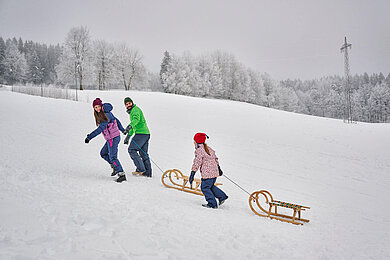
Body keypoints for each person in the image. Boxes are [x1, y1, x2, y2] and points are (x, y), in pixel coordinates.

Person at [85, 98, 127, 183]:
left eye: (98, 107)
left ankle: (121, 174)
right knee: (103, 153)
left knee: (113, 157)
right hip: (111, 138)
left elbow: (100, 129)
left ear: (101, 106)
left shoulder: (106, 115)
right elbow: (117, 120)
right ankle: (114, 166)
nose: (97, 109)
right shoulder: (105, 114)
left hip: (113, 138)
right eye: (95, 107)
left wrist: (89, 137)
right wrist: (122, 130)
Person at [189, 133, 228, 208]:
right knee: (210, 186)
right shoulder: (209, 149)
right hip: (214, 172)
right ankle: (222, 196)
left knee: (204, 188)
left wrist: (192, 173)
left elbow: (197, 162)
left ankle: (212, 204)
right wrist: (218, 168)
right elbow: (215, 159)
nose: (193, 142)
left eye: (194, 141)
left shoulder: (199, 150)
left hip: (207, 174)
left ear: (196, 142)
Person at [123, 97, 152, 177]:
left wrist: (129, 126)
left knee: (131, 150)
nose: (128, 105)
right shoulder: (134, 110)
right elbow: (134, 125)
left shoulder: (135, 110)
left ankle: (141, 169)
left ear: (132, 103)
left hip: (141, 134)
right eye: (126, 104)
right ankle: (148, 172)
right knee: (143, 153)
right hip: (146, 133)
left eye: (129, 103)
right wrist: (128, 136)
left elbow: (136, 120)